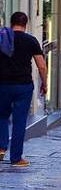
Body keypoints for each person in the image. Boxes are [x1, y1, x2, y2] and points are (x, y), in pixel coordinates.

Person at [0, 12, 47, 167]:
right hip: (23, 86)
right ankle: (16, 158)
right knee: (19, 121)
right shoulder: (30, 40)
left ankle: (1, 148)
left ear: (11, 23)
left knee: (1, 116)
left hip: (3, 84)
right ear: (26, 24)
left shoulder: (2, 38)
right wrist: (44, 83)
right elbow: (41, 65)